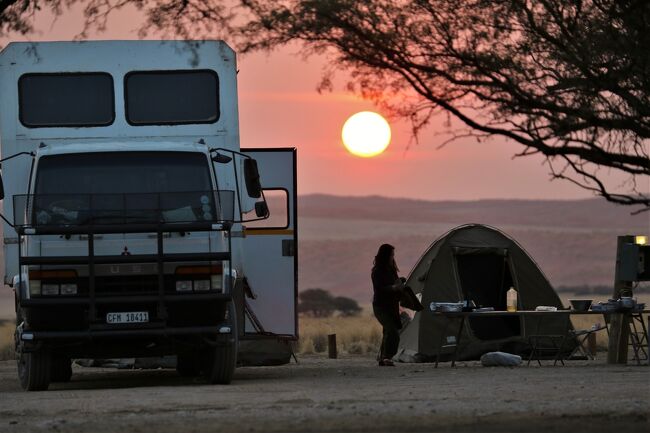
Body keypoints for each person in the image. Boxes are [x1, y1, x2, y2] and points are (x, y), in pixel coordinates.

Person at [371, 243, 405, 366]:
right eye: (391, 255)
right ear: (386, 255)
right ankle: (388, 357)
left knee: (387, 332)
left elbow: (394, 282)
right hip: (381, 307)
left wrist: (400, 283)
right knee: (393, 332)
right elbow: (380, 288)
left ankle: (383, 358)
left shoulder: (391, 269)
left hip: (392, 306)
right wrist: (394, 288)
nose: (392, 257)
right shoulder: (377, 271)